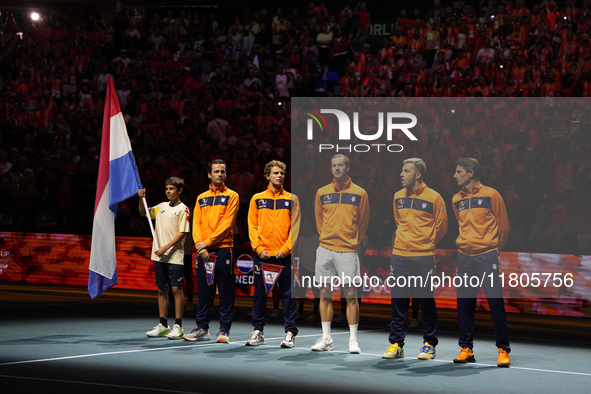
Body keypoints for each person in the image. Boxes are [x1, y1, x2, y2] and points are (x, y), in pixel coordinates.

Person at [382, 158, 447, 360]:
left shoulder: (434, 197)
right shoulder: (397, 196)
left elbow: (442, 227)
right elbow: (398, 221)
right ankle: (396, 344)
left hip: (424, 256)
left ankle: (429, 343)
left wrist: (424, 243)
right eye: (401, 170)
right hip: (399, 255)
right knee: (398, 300)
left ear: (418, 174)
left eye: (406, 171)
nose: (401, 174)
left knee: (425, 300)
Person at [452, 157, 511, 367]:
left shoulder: (491, 194)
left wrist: (493, 250)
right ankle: (466, 349)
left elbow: (503, 227)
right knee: (464, 304)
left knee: (495, 303)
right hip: (464, 257)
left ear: (471, 173)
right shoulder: (455, 199)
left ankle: (503, 349)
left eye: (459, 172)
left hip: (487, 256)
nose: (455, 175)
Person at [311, 154, 369, 354]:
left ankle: (353, 340)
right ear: (331, 169)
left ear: (347, 168)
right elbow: (319, 220)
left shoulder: (360, 193)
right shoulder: (322, 192)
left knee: (351, 295)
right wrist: (327, 237)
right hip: (325, 248)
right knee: (325, 294)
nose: (337, 168)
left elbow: (363, 223)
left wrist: (352, 240)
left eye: (341, 165)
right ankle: (326, 338)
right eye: (334, 165)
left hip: (347, 250)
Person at [245, 160, 300, 348]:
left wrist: (284, 250)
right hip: (262, 256)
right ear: (267, 176)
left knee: (288, 296)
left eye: (282, 173)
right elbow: (251, 226)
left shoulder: (292, 199)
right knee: (260, 295)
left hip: (284, 257)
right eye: (276, 173)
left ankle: (290, 332)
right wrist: (259, 249)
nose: (280, 176)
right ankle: (258, 331)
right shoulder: (257, 199)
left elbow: (296, 228)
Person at [183, 159, 239, 343]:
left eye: (223, 171)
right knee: (205, 292)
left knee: (225, 292)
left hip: (223, 249)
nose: (220, 174)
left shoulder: (232, 196)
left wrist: (205, 242)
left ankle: (224, 331)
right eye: (216, 171)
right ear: (209, 174)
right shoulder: (201, 198)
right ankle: (202, 328)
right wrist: (200, 244)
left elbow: (227, 225)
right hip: (203, 251)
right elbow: (196, 224)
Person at [140, 177, 190, 339]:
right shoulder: (161, 206)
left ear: (179, 191)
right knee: (161, 289)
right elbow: (144, 212)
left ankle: (178, 326)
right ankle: (163, 325)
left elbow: (182, 232)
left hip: (174, 255)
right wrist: (141, 198)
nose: (168, 191)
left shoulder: (184, 209)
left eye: (172, 189)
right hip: (159, 256)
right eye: (167, 188)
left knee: (176, 289)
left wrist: (165, 247)